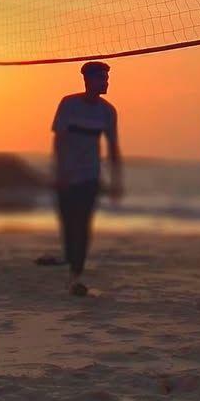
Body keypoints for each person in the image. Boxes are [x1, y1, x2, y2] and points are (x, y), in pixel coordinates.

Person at [51, 61, 123, 297]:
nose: (106, 83)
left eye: (107, 79)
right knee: (68, 224)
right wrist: (60, 171)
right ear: (87, 80)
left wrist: (116, 180)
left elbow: (112, 147)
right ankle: (71, 262)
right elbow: (59, 140)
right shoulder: (69, 104)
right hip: (67, 175)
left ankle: (76, 273)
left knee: (83, 225)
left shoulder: (108, 111)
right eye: (101, 78)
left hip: (89, 176)